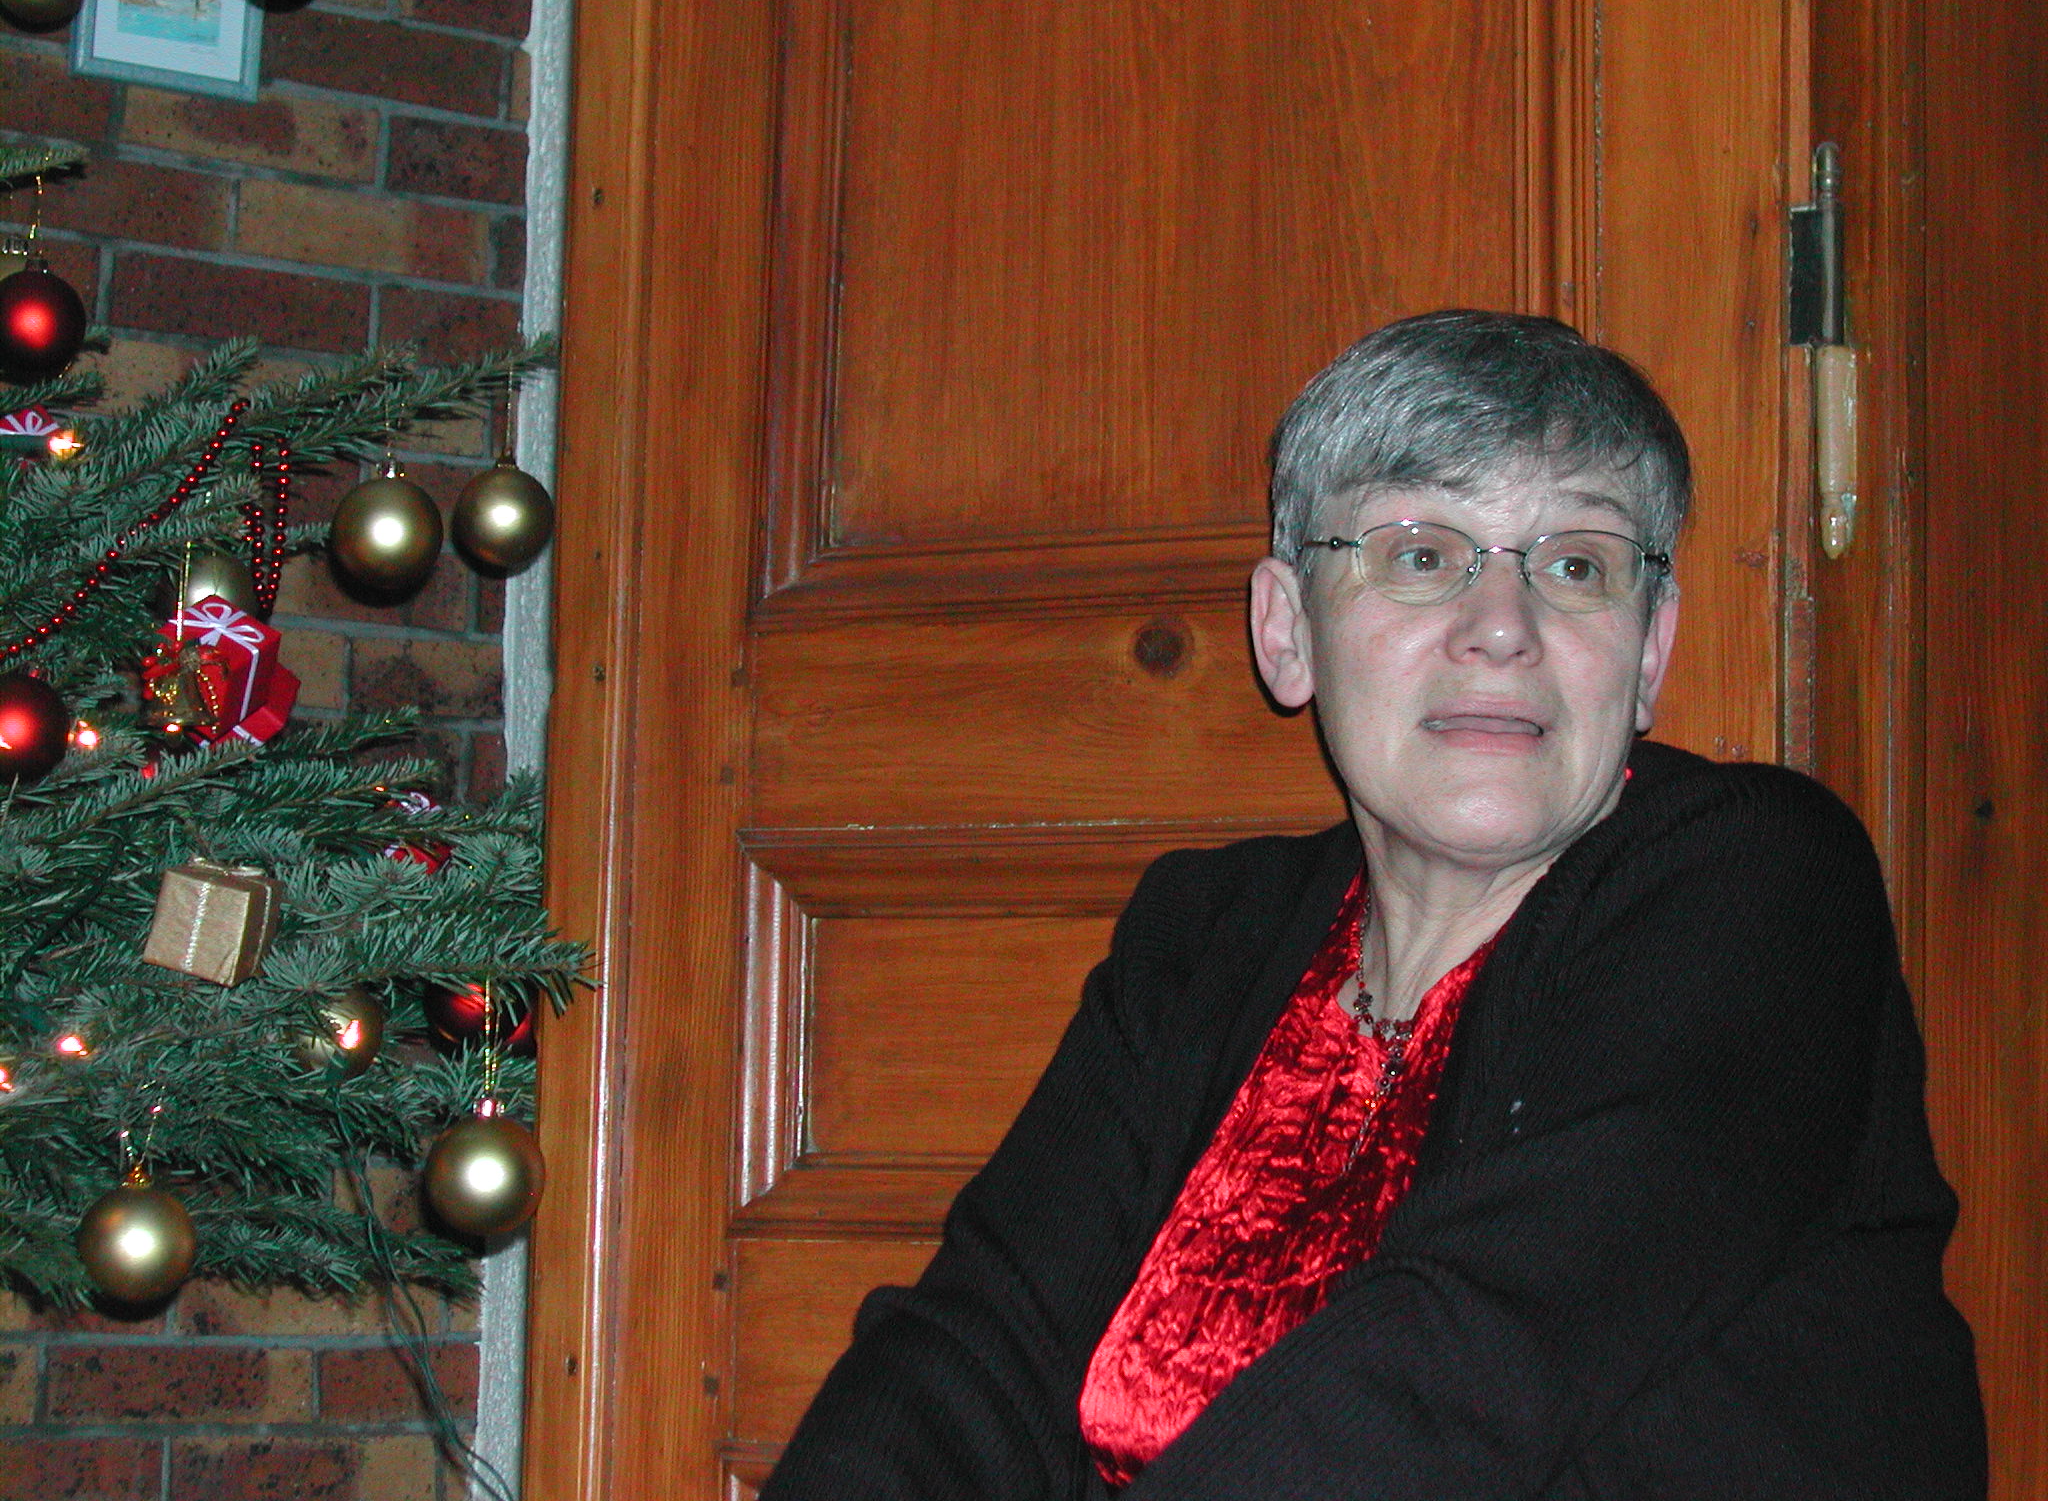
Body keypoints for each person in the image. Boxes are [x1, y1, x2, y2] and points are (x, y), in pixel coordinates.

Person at [760, 311, 1985, 1499]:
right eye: (1418, 555)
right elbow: (974, 1352)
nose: (1501, 628)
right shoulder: (1205, 937)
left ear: (1647, 650)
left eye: (1575, 565)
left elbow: (1462, 1366)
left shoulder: (1754, 890)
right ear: (1286, 629)